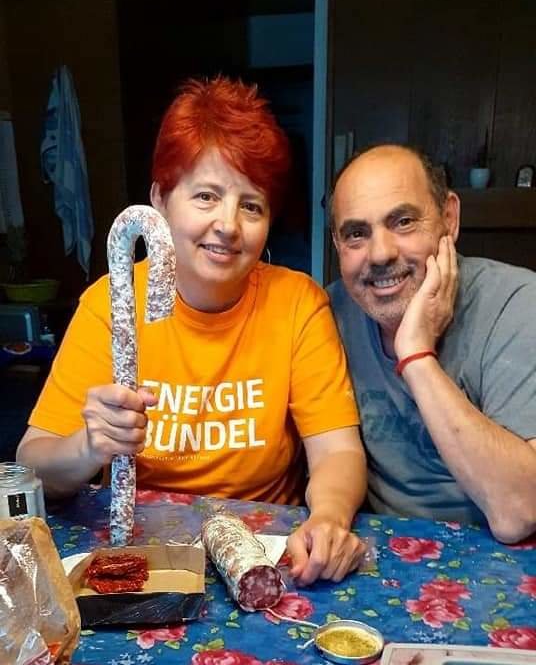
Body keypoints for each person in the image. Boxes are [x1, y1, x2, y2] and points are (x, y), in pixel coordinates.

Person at [17, 76, 367, 584]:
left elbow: (337, 450)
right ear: (160, 200)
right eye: (206, 195)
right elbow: (32, 463)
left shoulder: (298, 303)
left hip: (267, 551)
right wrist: (88, 447)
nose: (228, 224)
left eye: (252, 205)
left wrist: (329, 517)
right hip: (145, 551)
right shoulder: (110, 303)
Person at [329, 143, 536, 543]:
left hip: (501, 555)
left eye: (403, 222)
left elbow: (520, 511)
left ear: (449, 218)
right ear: (338, 245)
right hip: (380, 548)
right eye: (356, 234)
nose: (380, 254)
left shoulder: (517, 304)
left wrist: (417, 356)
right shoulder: (330, 313)